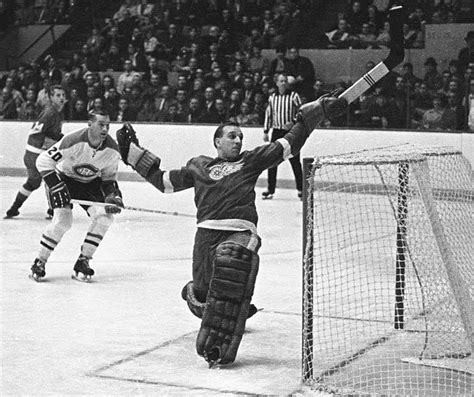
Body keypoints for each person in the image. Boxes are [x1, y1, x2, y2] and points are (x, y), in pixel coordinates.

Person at [115, 92, 347, 366]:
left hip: (240, 230)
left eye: (240, 137)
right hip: (205, 233)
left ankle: (218, 345)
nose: (238, 140)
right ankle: (232, 308)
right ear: (217, 141)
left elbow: (287, 145)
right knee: (202, 296)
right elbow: (163, 182)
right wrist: (133, 156)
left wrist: (314, 112)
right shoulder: (199, 165)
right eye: (232, 136)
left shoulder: (250, 160)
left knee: (230, 262)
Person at [29, 111, 123, 282]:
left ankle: (83, 261)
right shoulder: (73, 141)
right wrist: (57, 187)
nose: (105, 129)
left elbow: (109, 177)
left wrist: (112, 196)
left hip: (90, 184)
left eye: (108, 125)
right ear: (90, 124)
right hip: (64, 181)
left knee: (104, 218)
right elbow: (43, 161)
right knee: (63, 221)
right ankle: (40, 261)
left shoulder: (112, 150)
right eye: (101, 124)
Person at [5, 85, 66, 219]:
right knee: (52, 179)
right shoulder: (50, 113)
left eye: (63, 95)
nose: (61, 98)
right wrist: (57, 139)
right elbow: (37, 131)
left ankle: (13, 209)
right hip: (37, 154)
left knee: (33, 182)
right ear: (50, 97)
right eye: (58, 95)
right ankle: (52, 211)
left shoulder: (55, 112)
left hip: (33, 154)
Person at [262, 73, 303, 200]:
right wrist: (265, 131)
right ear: (276, 83)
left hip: (290, 132)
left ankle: (301, 189)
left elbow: (302, 111)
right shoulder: (272, 97)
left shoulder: (293, 96)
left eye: (285, 81)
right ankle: (270, 189)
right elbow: (268, 114)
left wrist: (293, 121)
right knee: (272, 160)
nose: (283, 83)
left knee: (295, 160)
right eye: (281, 81)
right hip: (276, 132)